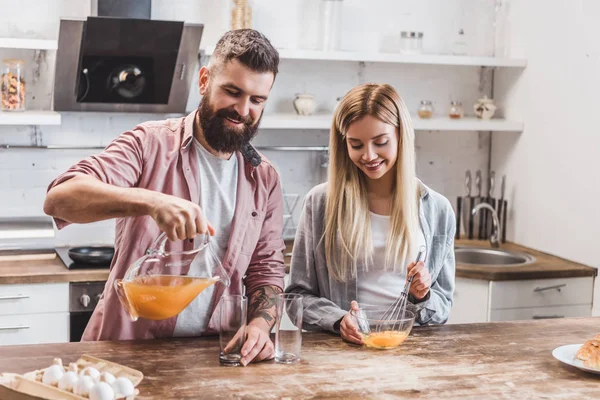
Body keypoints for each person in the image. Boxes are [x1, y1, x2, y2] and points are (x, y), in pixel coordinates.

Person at [44, 29, 285, 365]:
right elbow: (60, 198)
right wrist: (151, 201)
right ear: (204, 81)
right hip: (125, 354)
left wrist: (261, 325)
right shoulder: (150, 144)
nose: (243, 109)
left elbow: (266, 269)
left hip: (212, 359)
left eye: (257, 100)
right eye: (232, 92)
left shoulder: (264, 178)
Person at [285, 83, 456, 344]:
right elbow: (297, 297)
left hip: (412, 353)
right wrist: (339, 320)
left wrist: (421, 296)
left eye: (381, 142)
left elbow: (442, 307)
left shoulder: (438, 210)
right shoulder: (320, 203)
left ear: (401, 136)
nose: (369, 155)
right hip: (342, 352)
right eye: (356, 145)